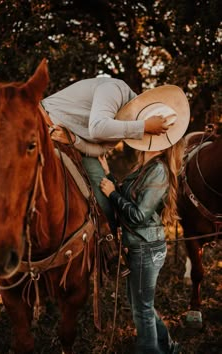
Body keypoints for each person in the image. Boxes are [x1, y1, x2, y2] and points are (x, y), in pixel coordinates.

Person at [98, 85, 190, 353]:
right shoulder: (144, 166)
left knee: (142, 310)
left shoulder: (158, 171)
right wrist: (110, 176)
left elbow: (137, 215)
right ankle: (168, 347)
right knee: (141, 305)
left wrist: (113, 193)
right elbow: (128, 197)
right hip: (140, 246)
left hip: (146, 249)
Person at [41, 78, 169, 234]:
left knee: (102, 194)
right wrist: (144, 126)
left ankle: (109, 244)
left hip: (72, 142)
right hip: (45, 123)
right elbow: (98, 128)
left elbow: (100, 149)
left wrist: (75, 140)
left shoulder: (125, 125)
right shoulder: (115, 89)